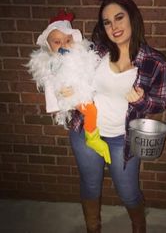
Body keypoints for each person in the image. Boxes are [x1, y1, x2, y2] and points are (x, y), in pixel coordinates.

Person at [69, 0, 166, 232]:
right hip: (86, 133)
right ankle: (93, 228)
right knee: (90, 186)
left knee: (128, 191)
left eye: (119, 17)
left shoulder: (155, 62)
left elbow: (159, 103)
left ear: (132, 17)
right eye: (106, 22)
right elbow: (69, 70)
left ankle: (138, 225)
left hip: (122, 139)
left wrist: (142, 99)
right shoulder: (96, 52)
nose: (113, 27)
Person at [27, 10, 111, 164]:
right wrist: (61, 93)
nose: (63, 45)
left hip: (87, 94)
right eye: (57, 42)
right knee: (91, 110)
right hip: (72, 96)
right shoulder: (53, 63)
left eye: (67, 40)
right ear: (49, 45)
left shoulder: (81, 55)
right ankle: (92, 137)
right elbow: (52, 83)